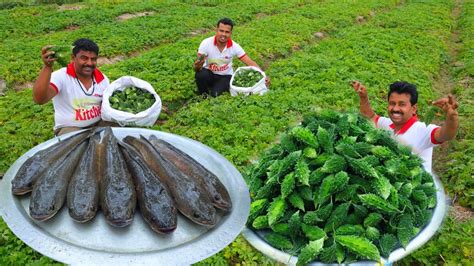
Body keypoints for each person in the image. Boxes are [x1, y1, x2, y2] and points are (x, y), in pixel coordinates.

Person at [351, 81, 459, 173]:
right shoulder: (386, 124)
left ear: (413, 108)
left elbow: (446, 134)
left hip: (419, 192)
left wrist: (452, 117)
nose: (395, 108)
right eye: (392, 103)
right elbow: (370, 117)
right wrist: (364, 98)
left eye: (402, 104)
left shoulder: (422, 130)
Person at [33, 38, 110, 136]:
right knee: (77, 144)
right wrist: (48, 67)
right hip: (70, 128)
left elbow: (107, 106)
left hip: (98, 125)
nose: (89, 63)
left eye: (93, 59)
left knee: (117, 130)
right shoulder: (61, 76)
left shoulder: (103, 79)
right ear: (73, 58)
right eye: (84, 58)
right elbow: (40, 99)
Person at [193, 17, 270, 97]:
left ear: (230, 33)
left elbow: (249, 62)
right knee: (200, 74)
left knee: (215, 94)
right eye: (221, 31)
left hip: (225, 76)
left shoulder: (234, 46)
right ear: (217, 30)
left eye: (227, 32)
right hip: (210, 73)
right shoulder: (206, 43)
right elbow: (197, 67)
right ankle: (203, 95)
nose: (223, 34)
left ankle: (216, 88)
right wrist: (197, 66)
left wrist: (263, 75)